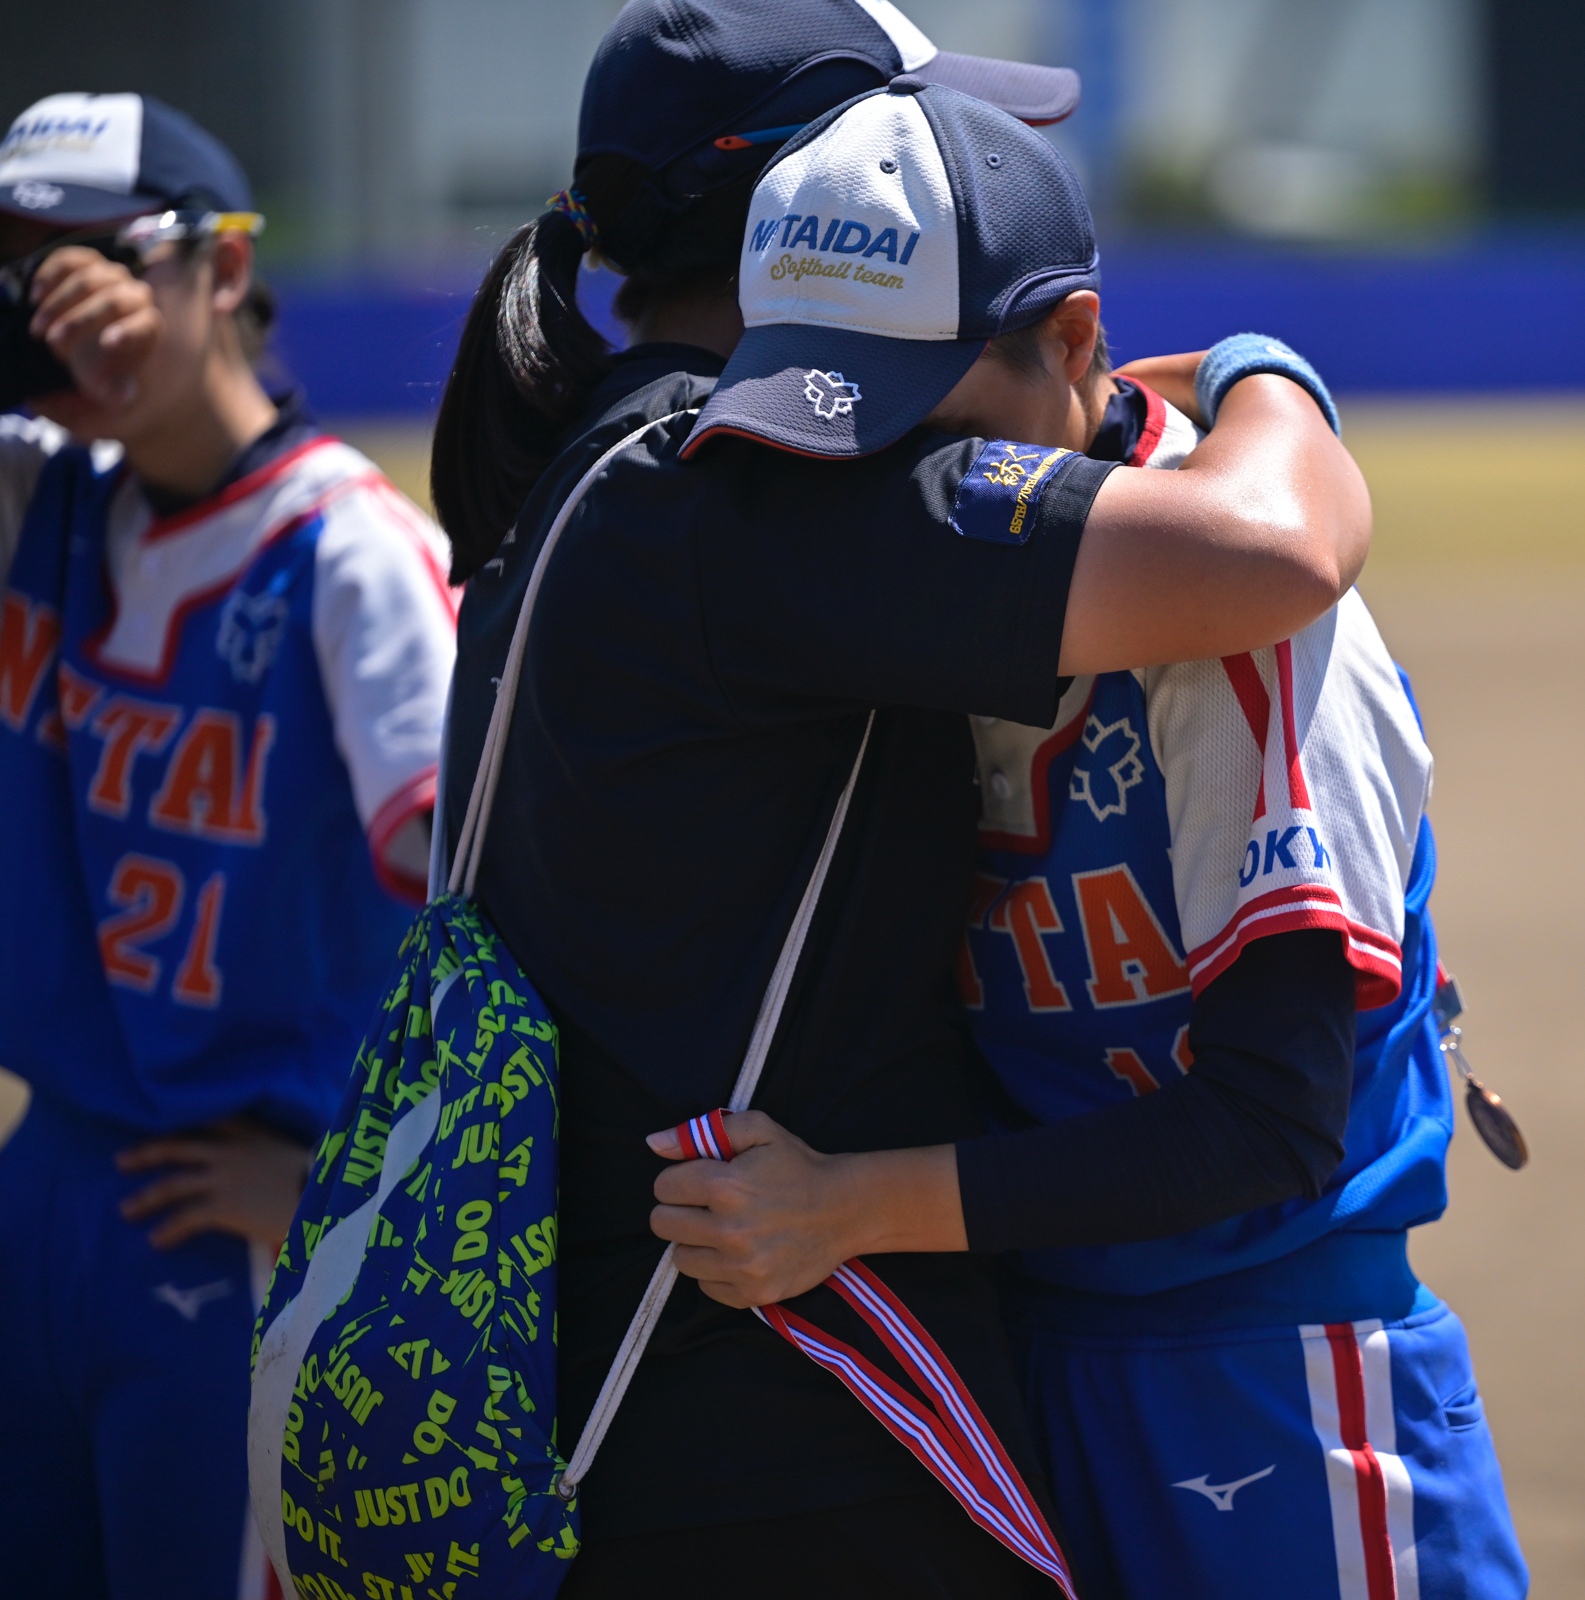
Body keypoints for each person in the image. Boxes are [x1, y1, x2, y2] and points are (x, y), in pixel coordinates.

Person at [425, 6, 1371, 1592]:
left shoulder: (605, 460)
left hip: (614, 1380)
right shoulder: (760, 499)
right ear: (812, 206)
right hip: (787, 1415)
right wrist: (1265, 376)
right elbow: (1271, 552)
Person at [700, 283, 1532, 1593]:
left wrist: (849, 1206)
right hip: (1027, 1353)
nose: (898, 466)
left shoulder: (1236, 603)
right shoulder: (903, 578)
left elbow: (1267, 1123)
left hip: (1275, 1372)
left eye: (934, 415)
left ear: (1072, 341)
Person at [0, 93, 456, 1600]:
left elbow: (495, 918)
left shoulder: (348, 549)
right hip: (50, 1174)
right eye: (28, 266)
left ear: (227, 264)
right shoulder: (41, 499)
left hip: (244, 1203)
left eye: (109, 253)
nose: (68, 298)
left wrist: (359, 1192)